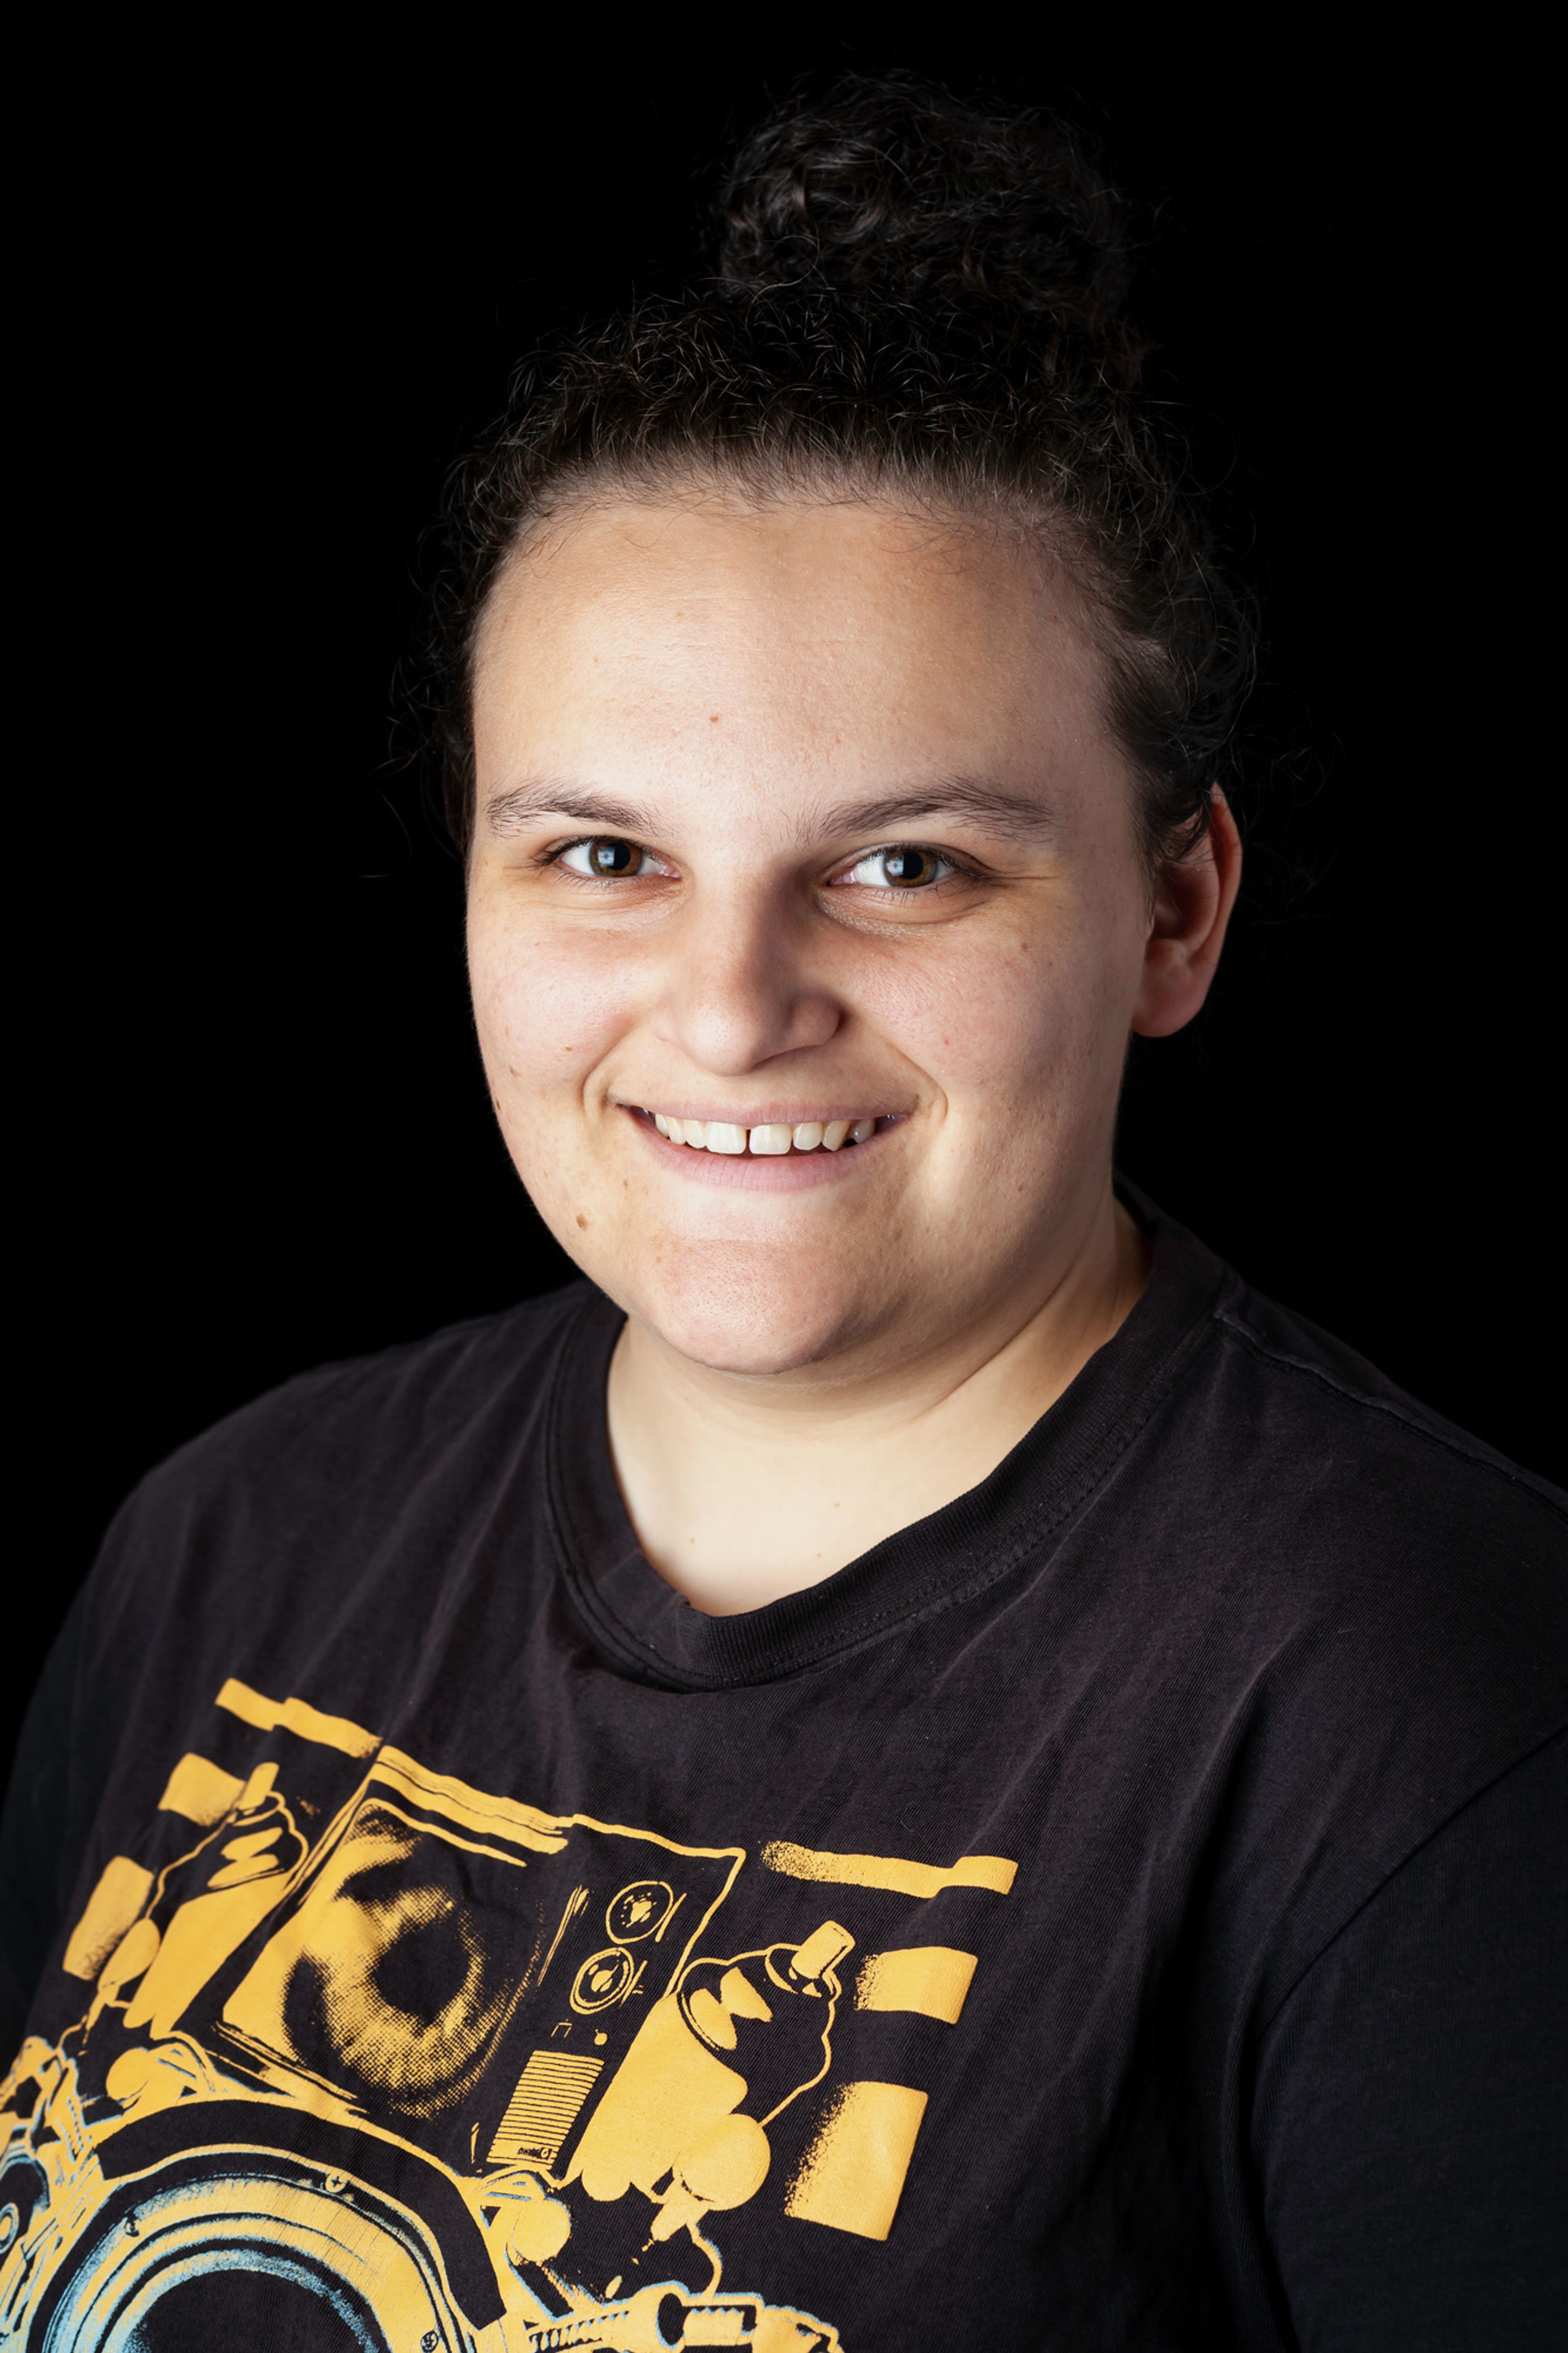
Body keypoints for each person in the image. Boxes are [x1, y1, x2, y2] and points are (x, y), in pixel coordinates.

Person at [1, 76, 1561, 2353]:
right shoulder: (234, 1543)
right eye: (605, 856)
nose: (732, 1008)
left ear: (1176, 912)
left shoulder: (1433, 1723)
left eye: (904, 864)